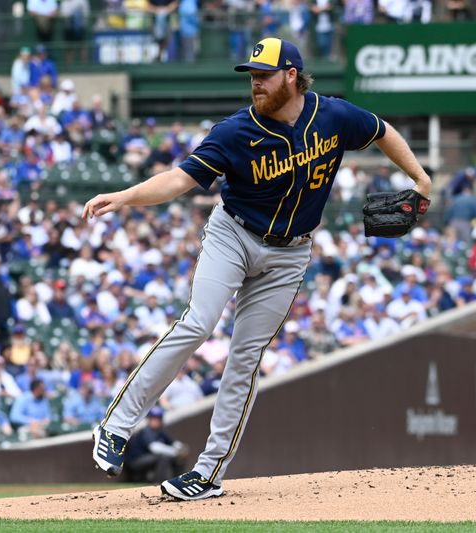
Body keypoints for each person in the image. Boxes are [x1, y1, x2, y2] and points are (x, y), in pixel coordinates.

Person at [85, 37, 431, 501]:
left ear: (291, 74)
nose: (256, 84)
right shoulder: (233, 132)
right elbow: (178, 179)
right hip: (233, 234)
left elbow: (382, 130)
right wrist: (126, 196)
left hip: (290, 254)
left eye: (264, 75)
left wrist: (420, 177)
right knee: (198, 322)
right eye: (251, 76)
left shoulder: (333, 116)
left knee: (245, 358)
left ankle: (207, 474)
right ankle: (116, 426)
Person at [123, 406, 188, 482]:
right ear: (149, 419)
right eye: (153, 418)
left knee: (178, 458)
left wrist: (182, 448)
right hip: (135, 461)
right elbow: (155, 448)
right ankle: (159, 483)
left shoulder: (160, 431)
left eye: (157, 419)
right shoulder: (146, 431)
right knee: (163, 457)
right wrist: (176, 452)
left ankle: (178, 482)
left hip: (149, 458)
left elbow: (173, 443)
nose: (155, 421)